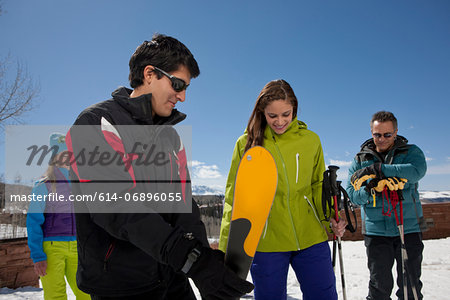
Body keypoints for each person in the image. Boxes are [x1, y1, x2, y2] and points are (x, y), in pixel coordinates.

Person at [67, 34, 253, 299]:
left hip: (172, 279)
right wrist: (191, 260)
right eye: (177, 84)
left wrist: (204, 267)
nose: (183, 96)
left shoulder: (170, 137)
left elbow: (184, 204)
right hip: (121, 285)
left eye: (186, 87)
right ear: (150, 74)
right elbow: (116, 205)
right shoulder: (96, 122)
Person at [218, 79, 346, 300]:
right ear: (262, 112)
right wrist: (226, 249)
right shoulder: (247, 144)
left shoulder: (310, 140)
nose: (280, 121)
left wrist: (330, 219)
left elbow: (318, 186)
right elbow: (234, 198)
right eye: (272, 115)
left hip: (310, 237)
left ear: (294, 109)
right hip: (268, 241)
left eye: (286, 114)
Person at [346, 111, 427, 300]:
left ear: (396, 132)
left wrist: (379, 170)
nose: (381, 139)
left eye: (387, 135)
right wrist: (369, 190)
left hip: (409, 229)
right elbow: (352, 194)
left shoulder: (410, 152)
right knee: (379, 286)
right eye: (377, 135)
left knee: (410, 285)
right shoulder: (360, 160)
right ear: (372, 132)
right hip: (376, 232)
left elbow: (416, 171)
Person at [26, 133, 89, 300]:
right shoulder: (43, 185)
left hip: (78, 248)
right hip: (51, 248)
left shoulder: (80, 184)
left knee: (86, 293)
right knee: (55, 295)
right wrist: (38, 256)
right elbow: (33, 222)